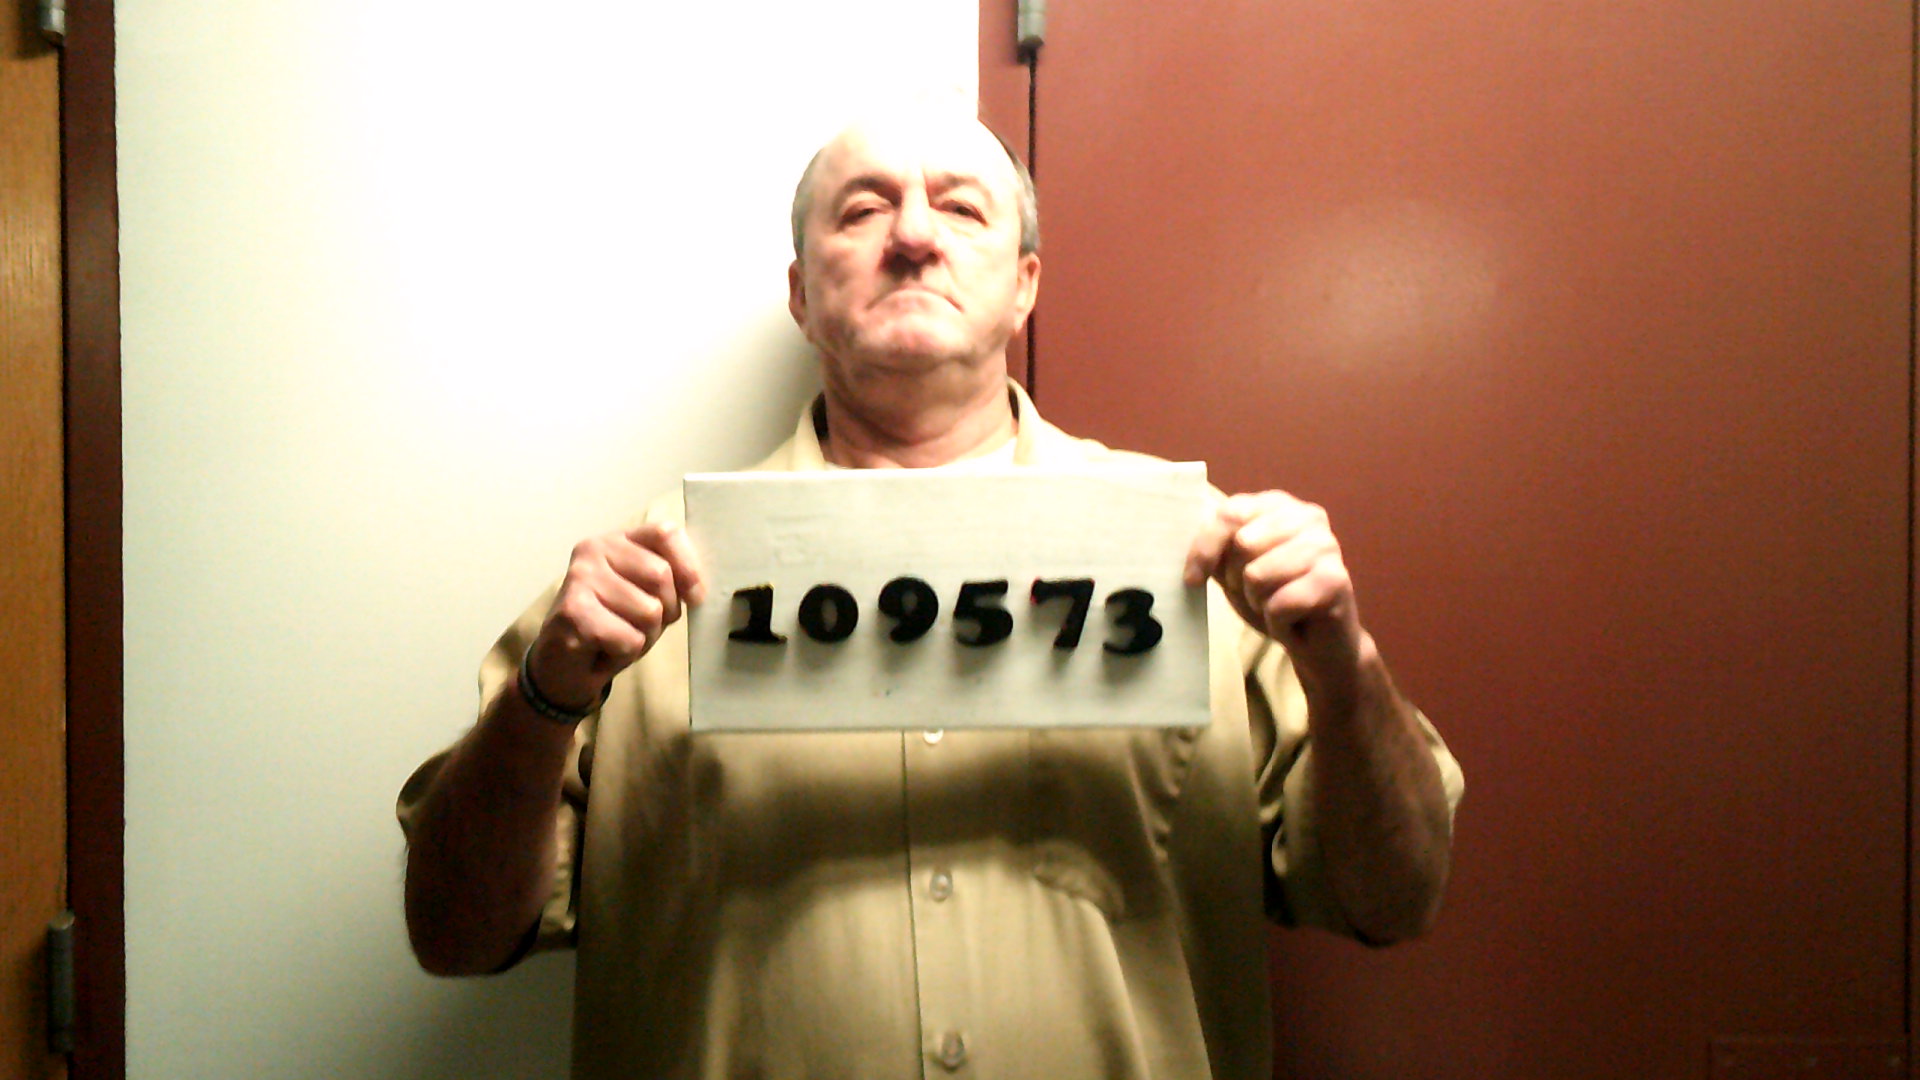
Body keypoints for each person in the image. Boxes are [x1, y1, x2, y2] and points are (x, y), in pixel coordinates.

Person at [399, 113, 1463, 1080]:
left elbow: (1395, 895)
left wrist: (1344, 665)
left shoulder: (1198, 557)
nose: (913, 236)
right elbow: (453, 935)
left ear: (1025, 284)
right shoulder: (639, 589)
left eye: (960, 208)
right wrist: (543, 699)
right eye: (862, 211)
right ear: (800, 295)